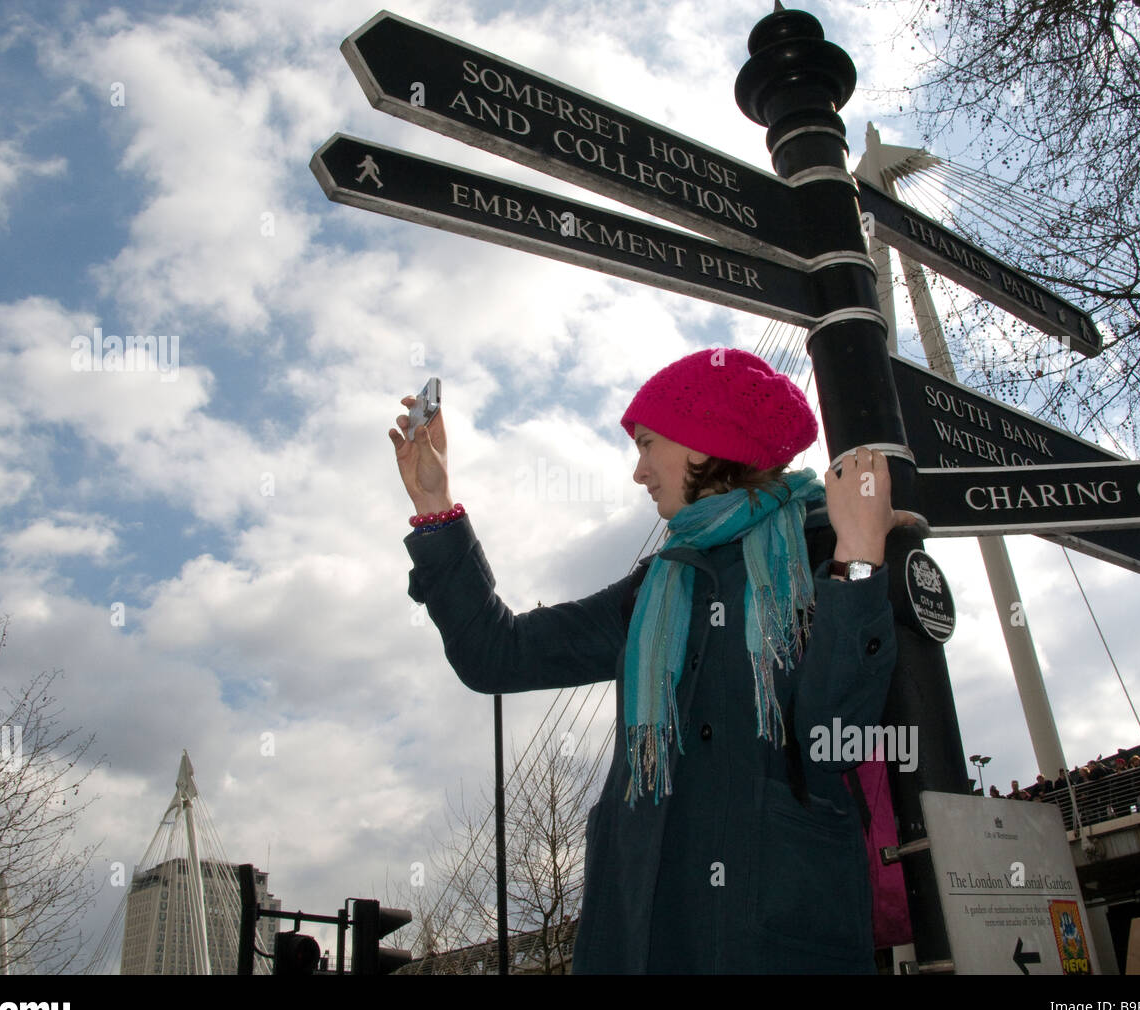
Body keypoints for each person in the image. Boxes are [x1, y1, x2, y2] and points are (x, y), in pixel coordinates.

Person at [390, 347, 913, 974]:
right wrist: (434, 504)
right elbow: (497, 654)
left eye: (645, 443)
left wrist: (859, 560)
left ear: (702, 443)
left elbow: (837, 732)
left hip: (773, 938)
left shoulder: (825, 550)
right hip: (640, 936)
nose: (639, 472)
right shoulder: (655, 588)